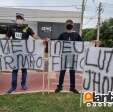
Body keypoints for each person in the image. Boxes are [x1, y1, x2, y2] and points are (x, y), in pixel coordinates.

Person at [6, 13, 38, 93]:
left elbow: (35, 36)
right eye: (18, 18)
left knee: (24, 70)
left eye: (20, 18)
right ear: (16, 19)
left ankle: (23, 84)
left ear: (23, 20)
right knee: (14, 70)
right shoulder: (11, 27)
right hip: (15, 54)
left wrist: (42, 40)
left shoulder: (27, 28)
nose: (19, 19)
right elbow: (6, 38)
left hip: (24, 54)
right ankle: (13, 87)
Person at [55, 19, 82, 93]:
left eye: (71, 23)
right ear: (65, 25)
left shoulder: (76, 35)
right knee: (62, 71)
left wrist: (92, 43)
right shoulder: (62, 34)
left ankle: (72, 87)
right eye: (68, 23)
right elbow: (56, 43)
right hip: (64, 56)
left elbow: (82, 44)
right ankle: (60, 87)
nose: (69, 24)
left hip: (73, 56)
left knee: (72, 72)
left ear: (73, 25)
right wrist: (48, 41)